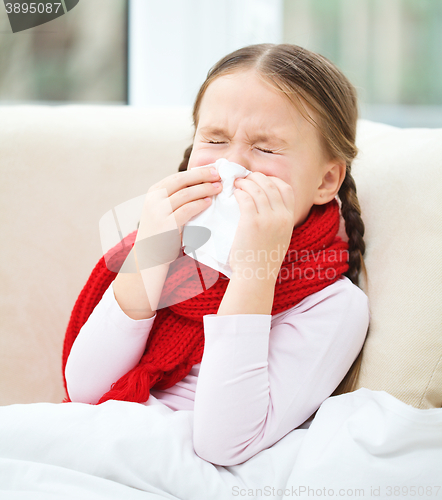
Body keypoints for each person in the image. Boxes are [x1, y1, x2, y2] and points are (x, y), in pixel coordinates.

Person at [64, 44, 369, 466]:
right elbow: (84, 389)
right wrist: (151, 247)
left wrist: (254, 272)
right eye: (214, 139)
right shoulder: (173, 255)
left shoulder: (332, 305)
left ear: (326, 180)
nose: (232, 166)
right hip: (100, 440)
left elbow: (222, 445)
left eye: (267, 147)